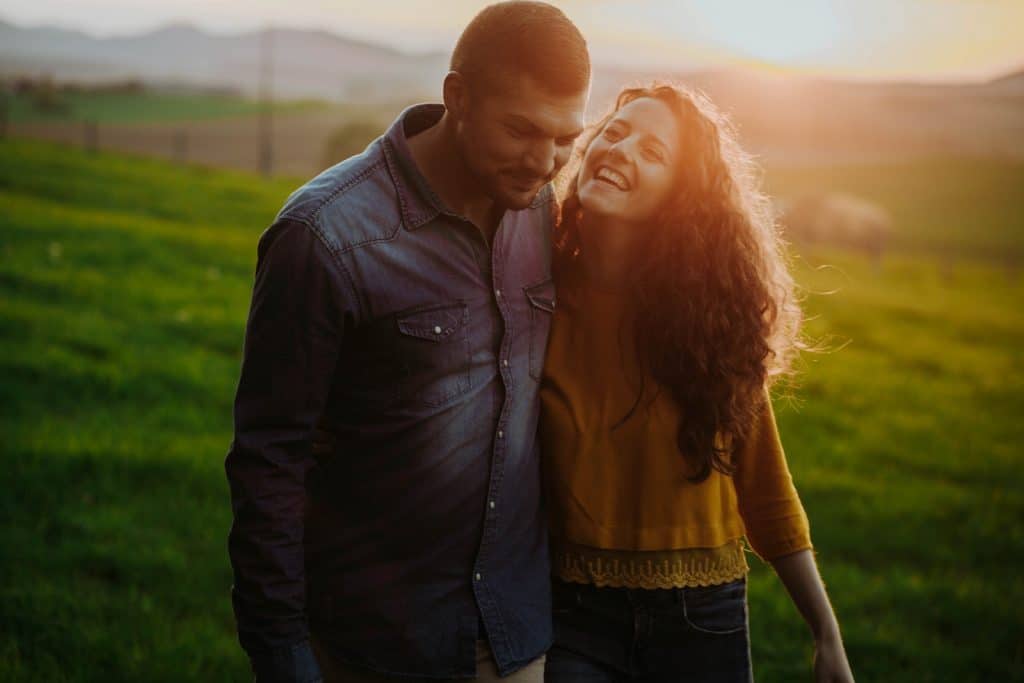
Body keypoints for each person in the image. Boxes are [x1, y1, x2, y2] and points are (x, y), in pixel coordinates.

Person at [224, 3, 590, 681]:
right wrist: (281, 653)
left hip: (517, 636)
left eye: (566, 137)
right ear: (458, 97)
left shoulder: (544, 210)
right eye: (522, 130)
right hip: (373, 642)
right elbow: (268, 461)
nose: (545, 162)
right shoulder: (323, 237)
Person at [539, 84, 855, 682]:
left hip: (702, 617)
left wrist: (826, 634)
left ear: (679, 199)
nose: (620, 149)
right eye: (613, 131)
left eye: (653, 151)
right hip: (567, 612)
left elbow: (766, 490)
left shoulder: (710, 323)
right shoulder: (534, 298)